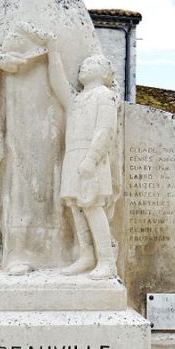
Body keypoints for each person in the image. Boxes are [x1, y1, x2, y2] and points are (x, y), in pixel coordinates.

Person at [0, 0, 101, 275]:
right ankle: (20, 252)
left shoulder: (72, 3)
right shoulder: (11, 3)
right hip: (24, 101)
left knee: (68, 171)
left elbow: (94, 53)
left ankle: (76, 251)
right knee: (25, 173)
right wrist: (2, 60)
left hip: (66, 104)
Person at [45, 38, 119, 279]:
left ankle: (106, 261)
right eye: (82, 65)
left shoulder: (104, 96)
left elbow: (105, 130)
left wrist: (91, 158)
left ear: (105, 72)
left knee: (92, 206)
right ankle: (86, 256)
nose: (83, 68)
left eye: (91, 64)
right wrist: (53, 51)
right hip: (73, 156)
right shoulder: (77, 99)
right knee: (76, 207)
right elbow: (57, 82)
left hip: (92, 158)